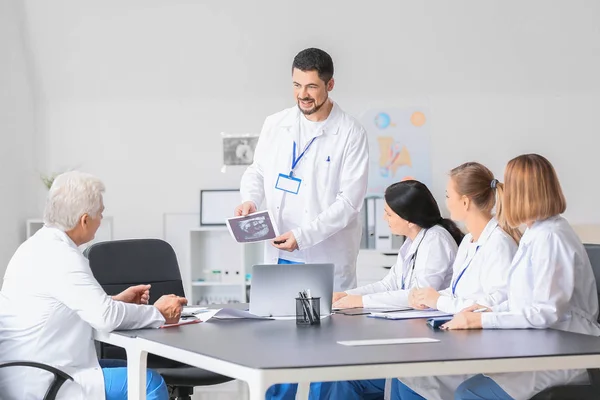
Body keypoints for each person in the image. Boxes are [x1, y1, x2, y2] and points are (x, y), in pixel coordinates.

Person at [0, 171, 188, 400]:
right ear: (84, 220)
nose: (101, 219)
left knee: (131, 366)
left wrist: (115, 300)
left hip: (29, 369)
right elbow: (105, 318)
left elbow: (64, 307)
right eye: (100, 213)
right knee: (150, 383)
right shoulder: (62, 256)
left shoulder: (34, 247)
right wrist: (159, 313)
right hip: (47, 379)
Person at [444, 153, 600, 400]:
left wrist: (482, 322)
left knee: (469, 392)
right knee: (468, 386)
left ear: (522, 192)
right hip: (545, 343)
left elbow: (545, 312)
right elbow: (524, 298)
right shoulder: (535, 232)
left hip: (570, 351)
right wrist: (488, 311)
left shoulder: (551, 237)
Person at [236, 47, 369, 293]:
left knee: (330, 327)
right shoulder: (276, 123)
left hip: (325, 255)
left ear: (330, 84)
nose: (302, 95)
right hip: (280, 251)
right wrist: (250, 200)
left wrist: (304, 236)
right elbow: (258, 171)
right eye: (297, 85)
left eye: (311, 87)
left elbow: (349, 203)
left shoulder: (351, 133)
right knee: (278, 324)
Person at [390, 162, 521, 399]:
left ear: (465, 201)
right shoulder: (470, 240)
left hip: (484, 348)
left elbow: (493, 304)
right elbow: (457, 291)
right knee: (404, 377)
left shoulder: (499, 244)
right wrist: (431, 298)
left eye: (449, 195)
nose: (446, 201)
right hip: (463, 339)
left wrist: (439, 301)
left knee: (413, 381)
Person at [332, 179, 463, 310]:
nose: (384, 218)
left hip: (434, 321)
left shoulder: (435, 240)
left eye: (389, 214)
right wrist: (347, 294)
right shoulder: (412, 241)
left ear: (410, 220)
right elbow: (389, 285)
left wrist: (361, 301)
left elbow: (420, 296)